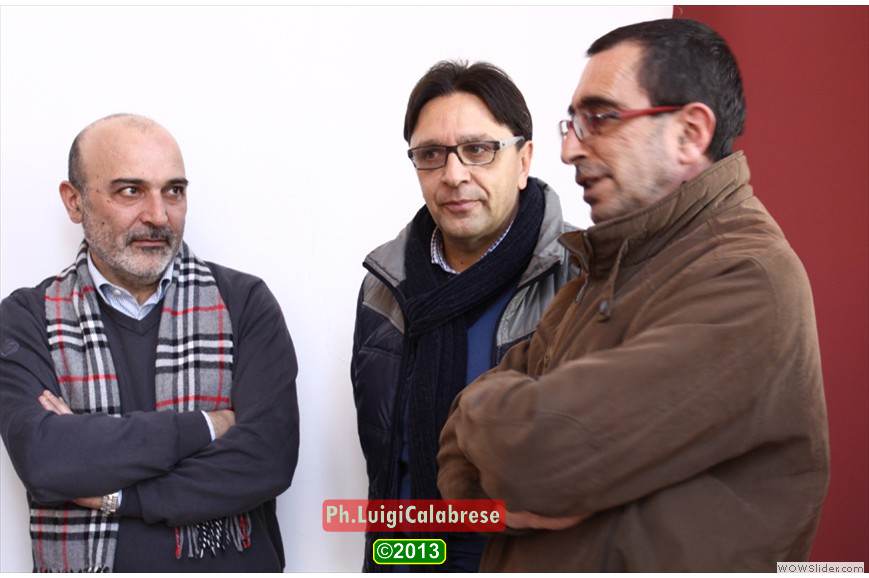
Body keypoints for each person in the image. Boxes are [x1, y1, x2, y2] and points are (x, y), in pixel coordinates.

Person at [437, 19, 830, 571]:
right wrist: (487, 444)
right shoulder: (601, 270)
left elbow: (537, 458)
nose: (570, 149)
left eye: (600, 119)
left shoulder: (747, 278)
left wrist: (477, 410)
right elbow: (456, 457)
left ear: (690, 133)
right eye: (572, 123)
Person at [0, 114, 300, 572]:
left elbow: (266, 460)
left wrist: (118, 495)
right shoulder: (27, 318)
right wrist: (207, 427)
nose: (158, 216)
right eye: (130, 191)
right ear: (74, 201)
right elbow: (46, 461)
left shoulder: (244, 304)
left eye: (173, 191)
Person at [350, 61, 578, 571]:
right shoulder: (383, 288)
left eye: (478, 149)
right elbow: (386, 466)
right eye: (431, 155)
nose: (454, 175)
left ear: (524, 160)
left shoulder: (583, 277)